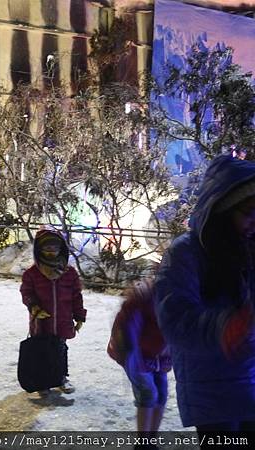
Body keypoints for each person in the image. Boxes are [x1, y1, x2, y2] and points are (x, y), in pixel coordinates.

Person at [155, 154, 255, 441]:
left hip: (249, 379)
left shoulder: (248, 249)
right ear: (223, 209)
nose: (254, 222)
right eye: (248, 212)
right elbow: (174, 317)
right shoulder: (185, 252)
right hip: (212, 386)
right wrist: (223, 327)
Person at [20, 226, 86, 394]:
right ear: (39, 249)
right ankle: (43, 382)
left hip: (63, 319)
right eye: (47, 248)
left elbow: (76, 296)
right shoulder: (32, 273)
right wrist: (34, 307)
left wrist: (79, 316)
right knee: (42, 350)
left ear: (61, 248)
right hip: (41, 320)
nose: (51, 252)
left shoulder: (69, 273)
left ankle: (61, 377)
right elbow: (26, 293)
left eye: (55, 248)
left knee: (60, 349)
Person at [108, 278, 171, 446]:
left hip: (160, 357)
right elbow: (129, 331)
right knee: (148, 393)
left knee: (162, 394)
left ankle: (151, 441)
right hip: (134, 354)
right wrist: (134, 360)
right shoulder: (146, 298)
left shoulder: (184, 295)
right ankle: (143, 443)